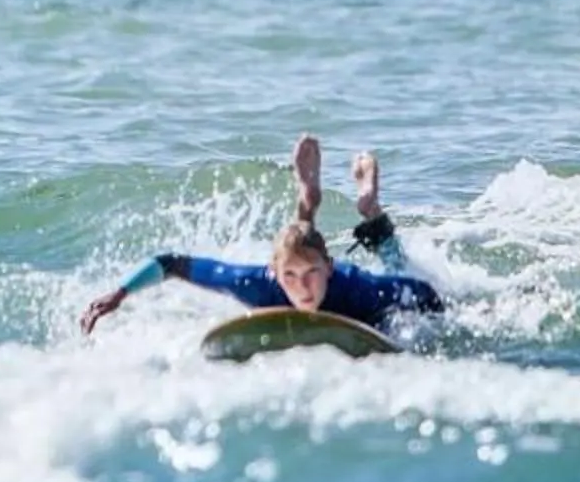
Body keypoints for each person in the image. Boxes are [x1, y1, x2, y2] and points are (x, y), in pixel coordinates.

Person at [79, 136, 444, 334]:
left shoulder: (357, 288)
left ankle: (369, 208)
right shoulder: (256, 283)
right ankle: (307, 199)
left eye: (312, 275)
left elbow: (425, 294)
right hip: (300, 258)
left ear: (331, 269)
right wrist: (120, 293)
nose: (301, 287)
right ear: (272, 272)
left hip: (368, 298)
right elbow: (171, 263)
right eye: (290, 277)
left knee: (398, 264)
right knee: (299, 249)